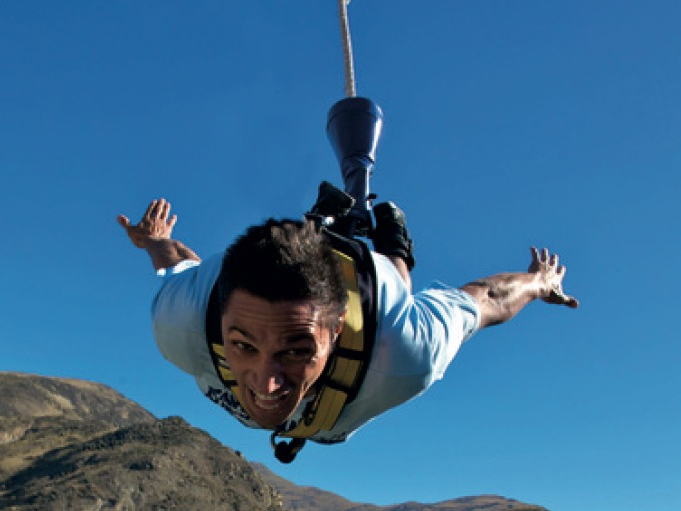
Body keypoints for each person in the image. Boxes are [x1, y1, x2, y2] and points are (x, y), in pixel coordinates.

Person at [117, 192, 578, 461]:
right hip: (300, 313)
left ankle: (392, 234)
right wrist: (154, 240)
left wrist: (538, 282)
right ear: (219, 321)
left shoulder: (403, 354)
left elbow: (486, 299)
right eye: (243, 344)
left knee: (396, 278)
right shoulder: (181, 324)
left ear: (336, 332)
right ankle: (322, 223)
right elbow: (177, 261)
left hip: (372, 295)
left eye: (296, 350)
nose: (266, 381)